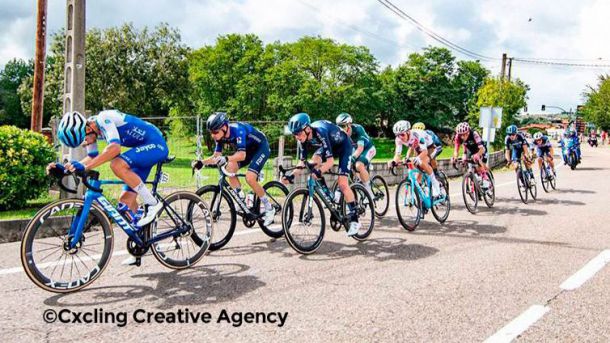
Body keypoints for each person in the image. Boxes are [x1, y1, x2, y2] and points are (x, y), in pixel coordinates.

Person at [50, 109, 170, 266]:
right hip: (142, 150)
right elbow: (92, 157)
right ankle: (140, 244)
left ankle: (153, 204)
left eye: (84, 138)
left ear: (88, 128)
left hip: (155, 144)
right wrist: (66, 169)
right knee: (125, 203)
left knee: (117, 164)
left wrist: (84, 167)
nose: (86, 142)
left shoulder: (103, 119)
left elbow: (114, 149)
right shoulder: (91, 130)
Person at [285, 112, 362, 236]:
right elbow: (302, 162)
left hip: (344, 146)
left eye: (299, 133)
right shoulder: (302, 139)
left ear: (307, 129)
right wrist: (292, 175)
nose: (297, 137)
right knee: (315, 159)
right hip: (331, 145)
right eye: (294, 134)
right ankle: (328, 195)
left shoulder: (320, 132)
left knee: (342, 183)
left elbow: (330, 162)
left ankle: (355, 220)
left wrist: (318, 171)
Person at [195, 112, 275, 226]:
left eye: (215, 132)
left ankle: (269, 208)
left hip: (260, 147)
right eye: (211, 133)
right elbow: (216, 156)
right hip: (247, 151)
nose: (213, 135)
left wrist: (226, 158)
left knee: (250, 178)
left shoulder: (238, 130)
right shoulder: (220, 136)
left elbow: (241, 155)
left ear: (224, 127)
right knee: (229, 168)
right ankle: (241, 197)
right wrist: (202, 163)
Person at [387, 120, 441, 197]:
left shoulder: (417, 135)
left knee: (423, 162)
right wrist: (393, 162)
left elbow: (425, 152)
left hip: (429, 145)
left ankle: (435, 184)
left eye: (402, 134)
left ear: (408, 132)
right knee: (417, 168)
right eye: (397, 135)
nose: (400, 137)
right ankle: (421, 199)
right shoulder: (398, 139)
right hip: (418, 147)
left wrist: (418, 158)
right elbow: (398, 154)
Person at [335, 112, 376, 195]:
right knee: (349, 167)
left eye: (343, 126)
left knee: (358, 165)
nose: (341, 129)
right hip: (355, 149)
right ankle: (358, 184)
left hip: (368, 148)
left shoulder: (358, 129)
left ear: (349, 125)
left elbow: (360, 148)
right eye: (339, 126)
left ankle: (369, 191)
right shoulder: (341, 134)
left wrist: (352, 159)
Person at [451, 122, 490, 188]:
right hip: (470, 150)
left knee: (477, 160)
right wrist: (455, 157)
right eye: (461, 135)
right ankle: (476, 177)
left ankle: (486, 178)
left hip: (480, 149)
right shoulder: (458, 137)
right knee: (465, 160)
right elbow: (456, 150)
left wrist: (477, 154)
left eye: (464, 134)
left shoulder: (474, 134)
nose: (462, 137)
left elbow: (482, 149)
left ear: (468, 132)